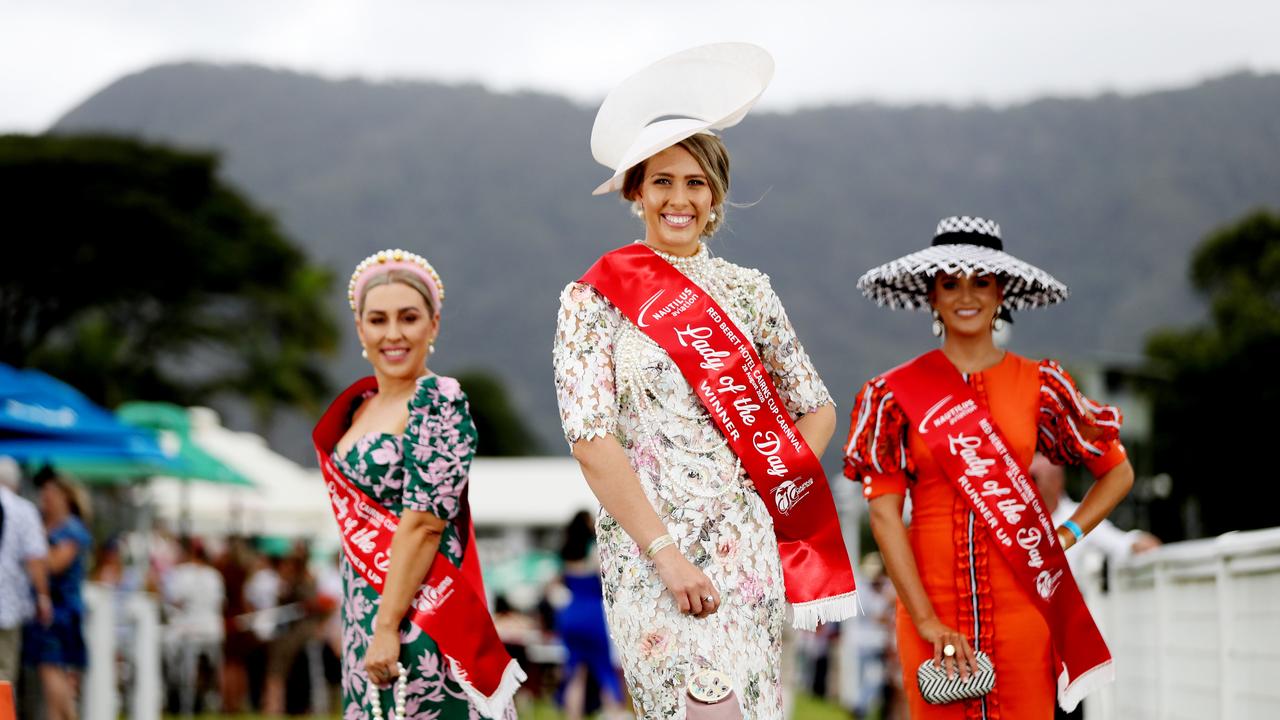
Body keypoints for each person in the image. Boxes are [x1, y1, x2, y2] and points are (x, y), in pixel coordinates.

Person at [553, 43, 858, 720]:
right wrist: (664, 552)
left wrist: (756, 486)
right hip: (646, 553)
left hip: (742, 551)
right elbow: (589, 438)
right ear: (636, 191)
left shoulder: (748, 293)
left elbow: (816, 408)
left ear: (716, 193)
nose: (679, 198)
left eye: (695, 181)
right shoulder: (593, 299)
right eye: (661, 181)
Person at [844, 216, 1136, 719]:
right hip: (928, 605)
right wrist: (926, 620)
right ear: (930, 296)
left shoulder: (1041, 384)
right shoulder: (893, 396)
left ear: (1002, 292)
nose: (967, 295)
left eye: (982, 281)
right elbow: (884, 515)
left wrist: (1062, 536)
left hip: (1024, 604)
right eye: (950, 282)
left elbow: (1118, 471)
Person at [313, 248, 522, 719]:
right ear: (360, 329)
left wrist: (387, 626)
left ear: (434, 325)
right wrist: (368, 627)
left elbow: (426, 522)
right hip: (363, 613)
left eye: (408, 317)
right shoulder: (359, 407)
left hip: (422, 616)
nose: (393, 333)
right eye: (377, 319)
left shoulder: (437, 401)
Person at [24, 471, 93, 720]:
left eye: (50, 494)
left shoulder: (71, 530)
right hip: (50, 609)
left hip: (59, 611)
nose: (45, 498)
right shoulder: (47, 525)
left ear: (65, 497)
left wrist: (32, 554)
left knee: (53, 669)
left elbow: (54, 564)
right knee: (53, 671)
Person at [1030, 453, 1161, 578]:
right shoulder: (1015, 516)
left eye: (1033, 478)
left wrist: (1137, 543)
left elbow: (1119, 543)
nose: (1026, 485)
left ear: (1056, 482)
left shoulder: (1079, 515)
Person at [552, 511, 624, 720]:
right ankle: (614, 713)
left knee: (575, 672)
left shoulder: (564, 554)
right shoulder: (595, 550)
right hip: (593, 615)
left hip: (570, 614)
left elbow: (553, 584)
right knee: (604, 669)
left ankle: (573, 716)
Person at [0, 457, 51, 685]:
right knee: (3, 675)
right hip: (7, 605)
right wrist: (42, 596)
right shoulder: (23, 510)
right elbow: (35, 559)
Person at [163, 537, 226, 715]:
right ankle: (215, 704)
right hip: (212, 630)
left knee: (175, 659)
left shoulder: (181, 573)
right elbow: (220, 603)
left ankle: (183, 705)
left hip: (190, 631)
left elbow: (174, 602)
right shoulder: (214, 576)